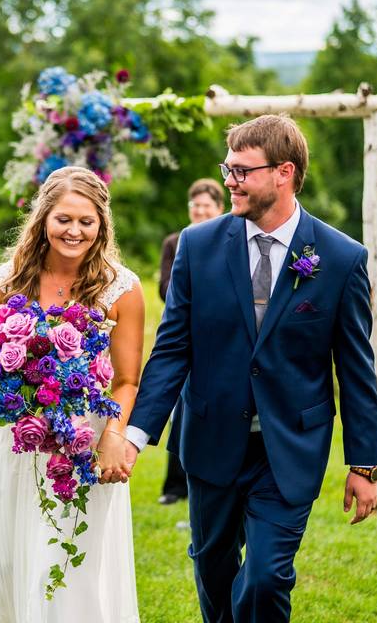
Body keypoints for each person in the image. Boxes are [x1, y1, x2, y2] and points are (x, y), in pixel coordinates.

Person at [124, 115, 377, 622]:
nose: (229, 182)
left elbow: (355, 368)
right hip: (211, 437)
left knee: (264, 578)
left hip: (288, 447)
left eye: (242, 171)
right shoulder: (195, 248)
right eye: (228, 169)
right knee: (214, 570)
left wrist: (364, 463)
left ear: (284, 172)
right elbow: (173, 348)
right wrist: (135, 434)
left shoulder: (340, 257)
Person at [0, 166, 145, 622]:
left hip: (84, 441)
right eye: (64, 218)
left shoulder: (122, 288)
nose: (75, 231)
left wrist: (114, 437)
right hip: (17, 440)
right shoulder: (9, 281)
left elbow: (127, 380)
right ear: (44, 218)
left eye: (87, 221)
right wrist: (15, 384)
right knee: (7, 554)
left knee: (65, 563)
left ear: (102, 225)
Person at [156, 178, 224, 506]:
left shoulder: (229, 240)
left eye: (206, 206)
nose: (199, 211)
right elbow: (166, 287)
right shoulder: (176, 241)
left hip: (217, 336)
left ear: (219, 209)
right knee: (179, 408)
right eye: (195, 206)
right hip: (183, 332)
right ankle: (174, 485)